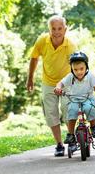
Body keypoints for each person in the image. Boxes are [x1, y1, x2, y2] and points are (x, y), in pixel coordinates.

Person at [26, 15, 76, 156]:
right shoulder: (42, 41)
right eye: (53, 29)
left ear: (65, 30)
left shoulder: (70, 45)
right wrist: (30, 78)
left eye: (60, 28)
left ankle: (72, 139)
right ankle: (59, 145)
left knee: (68, 110)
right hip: (48, 82)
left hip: (66, 83)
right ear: (49, 30)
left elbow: (77, 67)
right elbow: (34, 58)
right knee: (51, 114)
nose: (56, 32)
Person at [54, 51, 95, 148]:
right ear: (72, 69)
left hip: (87, 99)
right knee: (71, 111)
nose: (79, 72)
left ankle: (94, 127)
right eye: (75, 70)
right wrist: (58, 88)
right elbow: (60, 83)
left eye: (81, 69)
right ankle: (71, 134)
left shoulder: (90, 76)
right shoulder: (70, 77)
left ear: (86, 68)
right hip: (74, 100)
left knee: (89, 108)